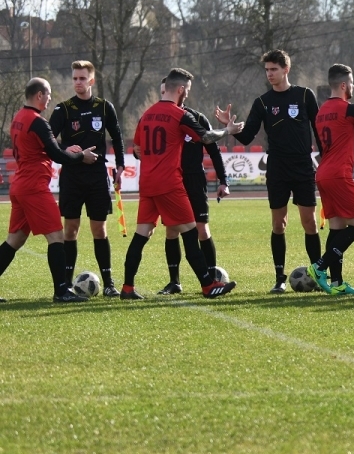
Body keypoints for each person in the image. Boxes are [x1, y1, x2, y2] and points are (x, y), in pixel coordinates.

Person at [122, 69, 243, 299]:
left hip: (147, 183)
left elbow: (137, 148)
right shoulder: (179, 115)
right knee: (190, 233)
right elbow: (206, 137)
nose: (187, 94)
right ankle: (208, 286)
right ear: (180, 89)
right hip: (169, 183)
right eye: (186, 90)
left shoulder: (145, 115)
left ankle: (127, 288)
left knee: (141, 235)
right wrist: (227, 130)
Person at [220, 49, 321, 293]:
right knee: (278, 224)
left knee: (310, 222)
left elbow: (319, 130)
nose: (269, 74)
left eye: (274, 69)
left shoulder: (305, 95)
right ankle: (279, 278)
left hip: (303, 167)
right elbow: (247, 136)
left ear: (286, 69)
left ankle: (319, 276)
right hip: (277, 168)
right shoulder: (263, 102)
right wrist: (230, 129)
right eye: (267, 70)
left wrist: (325, 158)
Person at [1, 77, 102, 302]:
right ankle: (61, 291)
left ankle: (61, 290)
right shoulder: (37, 122)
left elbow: (47, 148)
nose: (49, 99)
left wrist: (68, 150)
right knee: (56, 236)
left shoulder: (18, 118)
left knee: (15, 240)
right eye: (48, 94)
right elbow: (56, 155)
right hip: (34, 187)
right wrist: (81, 156)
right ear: (39, 95)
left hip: (20, 186)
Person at [49, 60, 124, 296]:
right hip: (72, 177)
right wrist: (70, 151)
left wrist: (120, 165)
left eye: (82, 78)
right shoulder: (63, 109)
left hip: (97, 177)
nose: (78, 82)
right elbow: (49, 142)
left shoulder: (104, 107)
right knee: (70, 229)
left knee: (99, 229)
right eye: (75, 78)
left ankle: (109, 284)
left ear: (91, 80)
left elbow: (117, 137)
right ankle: (66, 284)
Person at [308, 64, 354, 296]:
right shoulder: (349, 109)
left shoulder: (321, 112)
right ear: (343, 85)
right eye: (351, 83)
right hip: (338, 174)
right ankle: (320, 266)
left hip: (324, 174)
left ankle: (337, 282)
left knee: (337, 227)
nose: (353, 86)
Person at [158, 84, 229, 295]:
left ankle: (212, 279)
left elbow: (214, 151)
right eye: (162, 92)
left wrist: (223, 181)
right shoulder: (159, 119)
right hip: (172, 181)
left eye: (166, 90)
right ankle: (174, 282)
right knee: (172, 230)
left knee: (201, 229)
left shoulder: (196, 118)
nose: (165, 95)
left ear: (179, 91)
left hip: (194, 180)